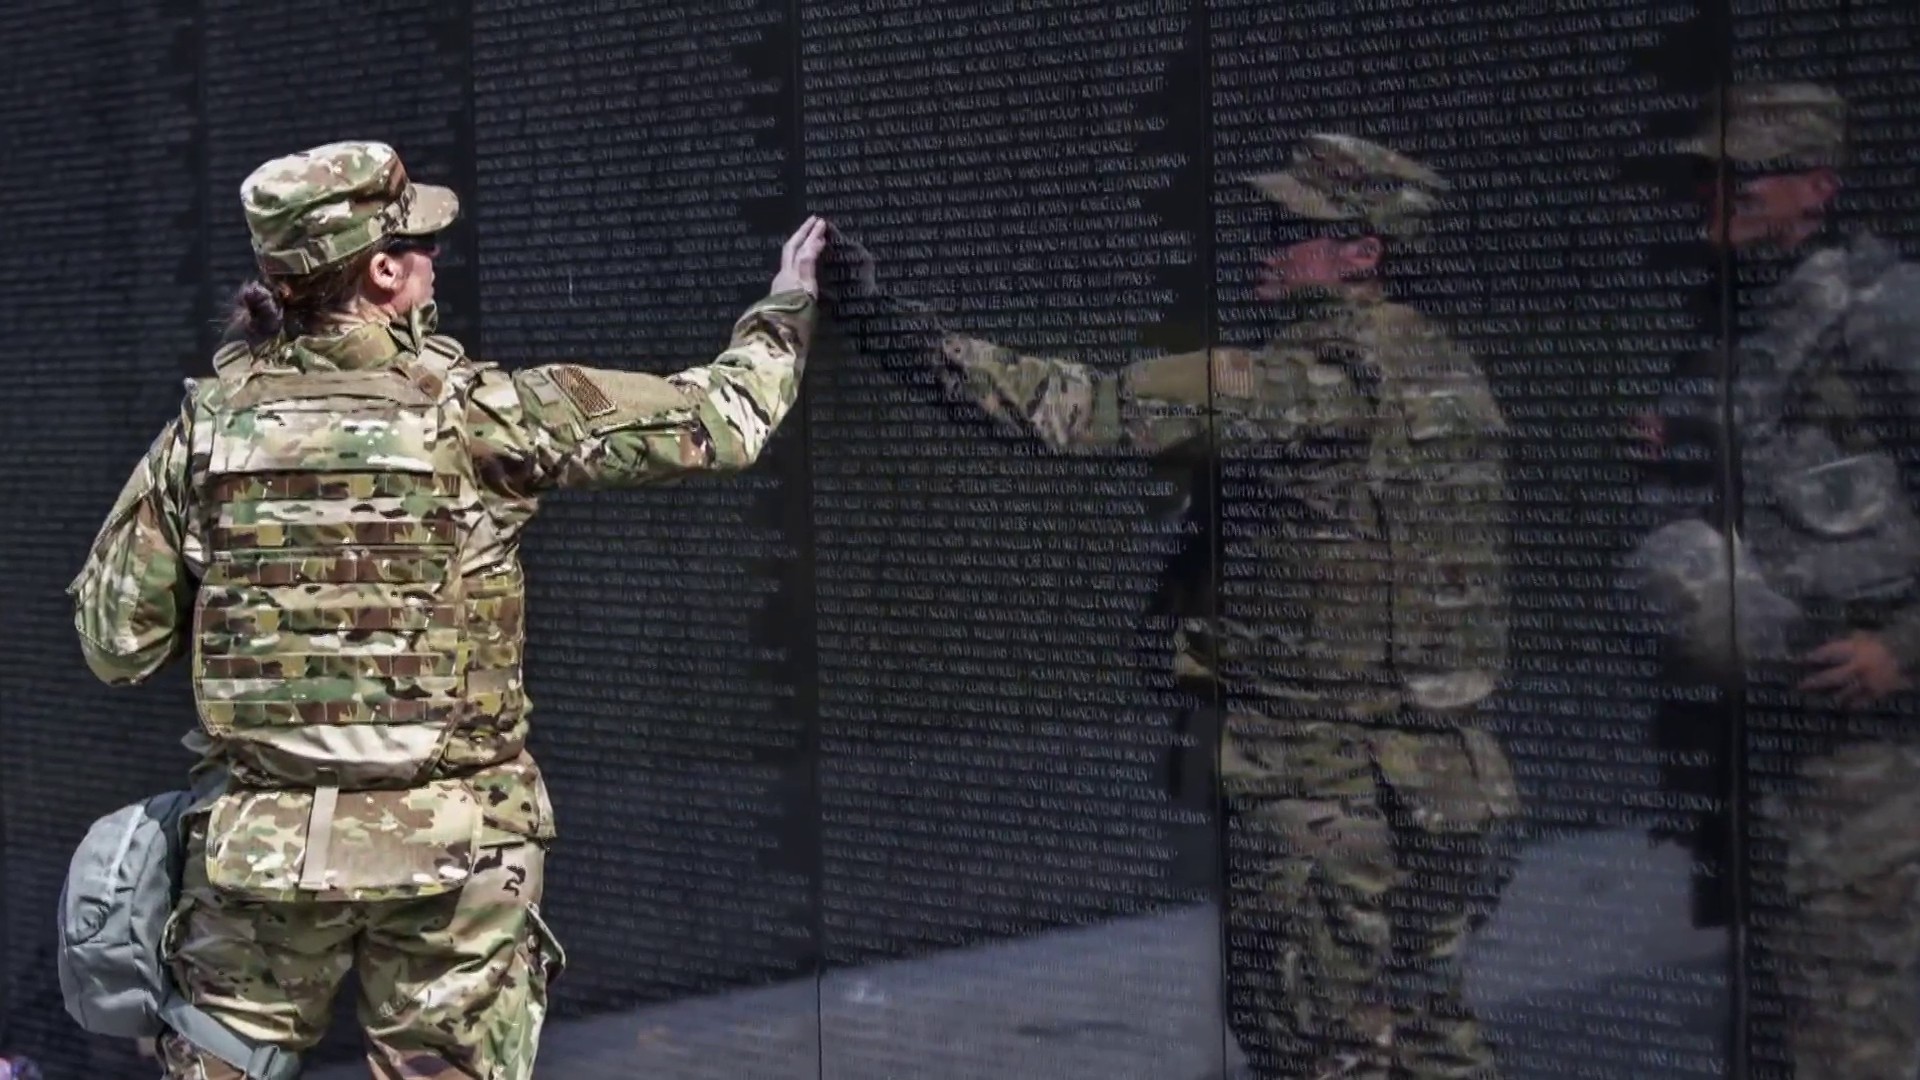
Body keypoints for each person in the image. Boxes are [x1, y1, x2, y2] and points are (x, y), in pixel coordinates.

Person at [65, 139, 829, 1080]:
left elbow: (115, 644)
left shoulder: (204, 434)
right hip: (456, 854)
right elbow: (725, 418)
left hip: (262, 862)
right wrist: (785, 304)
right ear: (384, 272)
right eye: (422, 246)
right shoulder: (485, 415)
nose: (434, 264)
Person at [843, 134, 1516, 1080]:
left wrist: (890, 325)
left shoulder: (1304, 384)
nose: (1267, 247)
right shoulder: (1452, 378)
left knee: (1316, 1047)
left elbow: (1075, 409)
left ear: (1366, 251)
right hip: (1449, 783)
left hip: (1321, 793)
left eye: (1297, 229)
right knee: (1430, 1034)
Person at [1631, 83, 1920, 1080]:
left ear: (1818, 187)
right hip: (1757, 729)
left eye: (1740, 178)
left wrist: (1903, 646)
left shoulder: (1886, 313)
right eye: (1705, 179)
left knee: (1851, 1023)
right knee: (1780, 1015)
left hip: (1867, 745)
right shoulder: (1734, 324)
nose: (1715, 199)